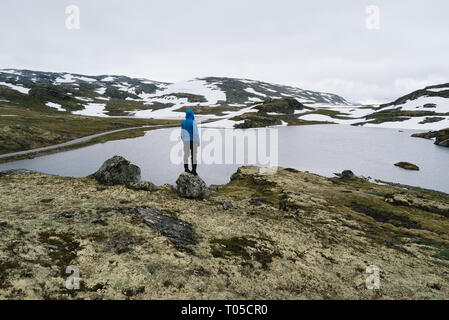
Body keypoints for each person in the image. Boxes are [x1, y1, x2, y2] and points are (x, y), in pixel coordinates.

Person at [181, 109, 200, 175]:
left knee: (186, 155)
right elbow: (196, 133)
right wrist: (198, 142)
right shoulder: (193, 122)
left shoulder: (183, 122)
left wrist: (183, 140)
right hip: (193, 141)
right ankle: (193, 170)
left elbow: (182, 133)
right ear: (192, 114)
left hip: (186, 141)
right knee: (194, 156)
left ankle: (186, 168)